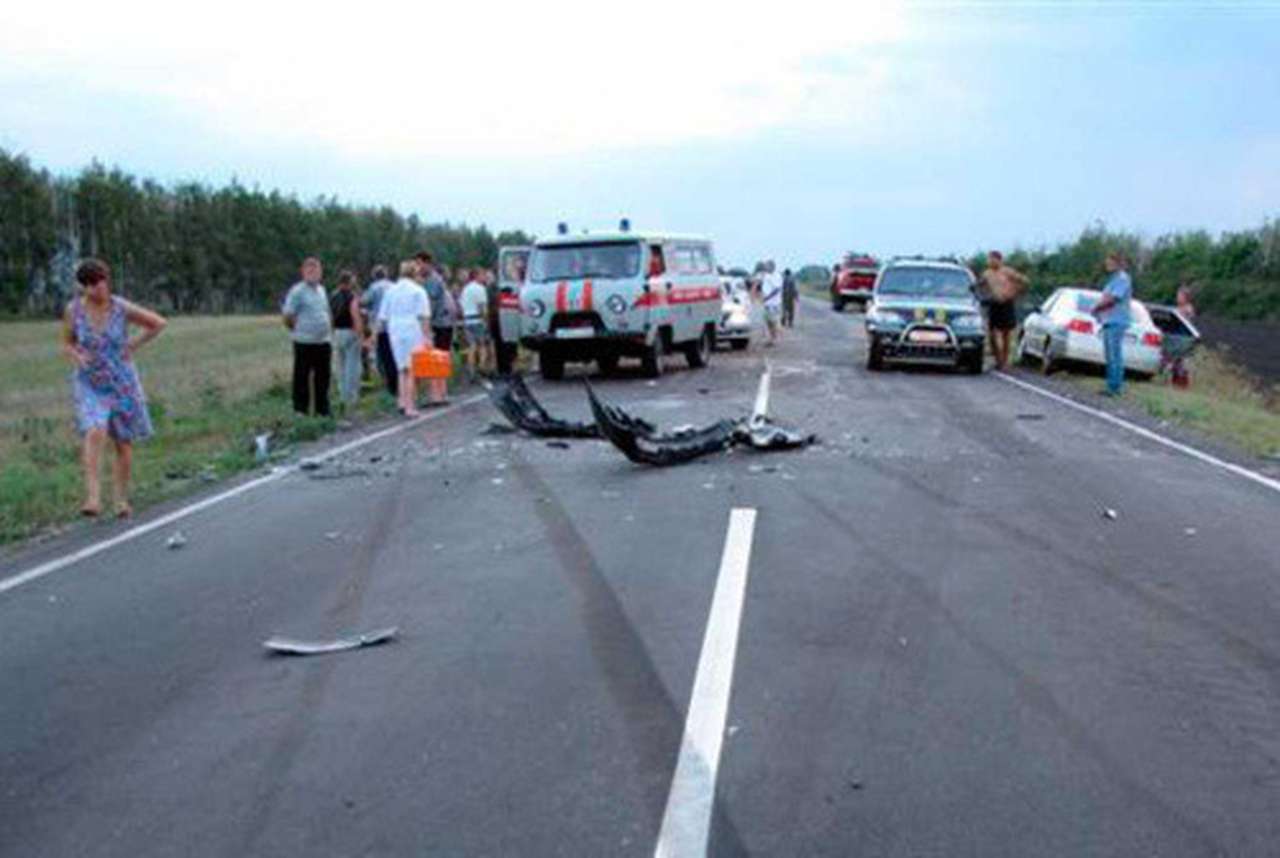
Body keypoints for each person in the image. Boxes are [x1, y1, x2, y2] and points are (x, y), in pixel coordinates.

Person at [61, 258, 167, 518]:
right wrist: (75, 354)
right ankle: (93, 497)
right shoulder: (73, 310)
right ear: (83, 287)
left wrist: (132, 345)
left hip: (121, 381)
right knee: (95, 430)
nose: (97, 288)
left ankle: (121, 499)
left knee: (123, 442)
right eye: (91, 284)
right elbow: (67, 342)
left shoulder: (120, 307)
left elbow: (157, 323)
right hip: (90, 382)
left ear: (107, 281)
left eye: (101, 282)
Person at [378, 260, 432, 416]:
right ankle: (410, 405)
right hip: (412, 329)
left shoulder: (390, 291)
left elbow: (383, 317)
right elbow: (424, 316)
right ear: (414, 274)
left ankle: (401, 401)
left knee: (401, 368)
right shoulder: (418, 291)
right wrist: (427, 337)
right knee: (412, 369)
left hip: (395, 330)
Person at [282, 257, 333, 417]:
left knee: (323, 376)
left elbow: (326, 311)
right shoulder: (297, 291)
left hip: (323, 341)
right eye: (309, 270)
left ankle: (322, 409)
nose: (313, 273)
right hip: (304, 341)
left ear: (321, 272)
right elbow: (288, 315)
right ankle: (300, 410)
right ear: (303, 272)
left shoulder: (322, 290)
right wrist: (297, 329)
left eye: (316, 269)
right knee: (302, 376)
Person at [1090, 251, 1133, 397]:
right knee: (1109, 355)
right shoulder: (1112, 280)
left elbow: (1113, 298)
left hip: (1117, 320)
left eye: (1110, 262)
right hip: (1108, 320)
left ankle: (1115, 387)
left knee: (1115, 355)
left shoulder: (1122, 279)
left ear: (1117, 263)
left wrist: (1097, 307)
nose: (1107, 265)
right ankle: (1110, 384)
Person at [414, 252, 453, 405]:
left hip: (438, 323)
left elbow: (431, 304)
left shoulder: (432, 280)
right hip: (443, 322)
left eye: (419, 264)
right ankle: (441, 393)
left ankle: (437, 394)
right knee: (440, 358)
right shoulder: (435, 279)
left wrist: (426, 325)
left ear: (427, 263)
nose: (418, 267)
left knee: (435, 358)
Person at [980, 250, 1029, 370]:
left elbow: (1024, 281)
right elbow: (980, 285)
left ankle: (1004, 361)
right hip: (994, 304)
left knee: (1006, 333)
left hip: (1007, 303)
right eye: (989, 259)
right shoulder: (987, 274)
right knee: (991, 333)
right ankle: (998, 359)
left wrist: (1014, 292)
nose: (991, 261)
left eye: (993, 259)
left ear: (999, 260)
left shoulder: (1007, 271)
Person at [329, 270, 366, 409]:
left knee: (341, 366)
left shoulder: (333, 296)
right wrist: (360, 334)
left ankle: (342, 395)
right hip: (350, 331)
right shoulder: (352, 297)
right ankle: (352, 396)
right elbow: (355, 315)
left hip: (338, 332)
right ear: (349, 282)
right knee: (353, 366)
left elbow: (330, 316)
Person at [362, 264, 397, 396]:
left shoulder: (374, 287)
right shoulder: (393, 286)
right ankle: (398, 384)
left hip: (380, 327)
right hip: (394, 325)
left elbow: (364, 301)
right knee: (394, 356)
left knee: (383, 357)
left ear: (374, 276)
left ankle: (389, 385)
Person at [459, 269, 491, 379]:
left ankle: (471, 369)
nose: (484, 277)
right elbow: (482, 306)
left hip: (467, 319)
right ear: (476, 276)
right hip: (478, 319)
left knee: (472, 346)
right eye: (482, 275)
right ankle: (482, 367)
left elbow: (461, 305)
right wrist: (485, 320)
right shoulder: (480, 289)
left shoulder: (465, 289)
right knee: (482, 345)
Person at [759, 260, 784, 346]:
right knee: (768, 321)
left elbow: (776, 290)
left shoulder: (777, 276)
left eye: (767, 266)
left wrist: (767, 298)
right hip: (767, 303)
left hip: (773, 303)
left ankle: (774, 338)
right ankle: (771, 338)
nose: (765, 268)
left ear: (772, 266)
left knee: (773, 321)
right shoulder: (767, 275)